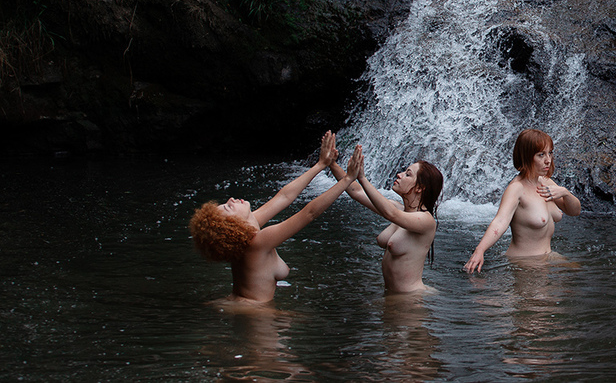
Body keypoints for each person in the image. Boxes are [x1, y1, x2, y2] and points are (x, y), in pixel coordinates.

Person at [189, 131, 358, 302]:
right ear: (233, 226)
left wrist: (321, 164)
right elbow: (309, 213)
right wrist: (347, 180)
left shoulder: (249, 228)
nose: (231, 200)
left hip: (244, 305)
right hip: (256, 313)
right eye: (227, 207)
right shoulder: (259, 242)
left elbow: (284, 197)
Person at [330, 143, 443, 293]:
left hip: (410, 300)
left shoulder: (425, 221)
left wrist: (362, 177)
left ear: (419, 188)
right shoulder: (399, 209)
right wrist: (330, 163)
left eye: (408, 174)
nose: (399, 174)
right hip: (393, 295)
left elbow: (391, 214)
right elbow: (355, 191)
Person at [464, 128, 581, 272]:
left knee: (578, 273)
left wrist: (565, 193)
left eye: (550, 153)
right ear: (526, 156)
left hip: (547, 257)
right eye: (541, 155)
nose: (548, 160)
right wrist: (480, 250)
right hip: (524, 263)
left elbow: (574, 211)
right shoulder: (517, 188)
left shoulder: (546, 182)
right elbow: (500, 222)